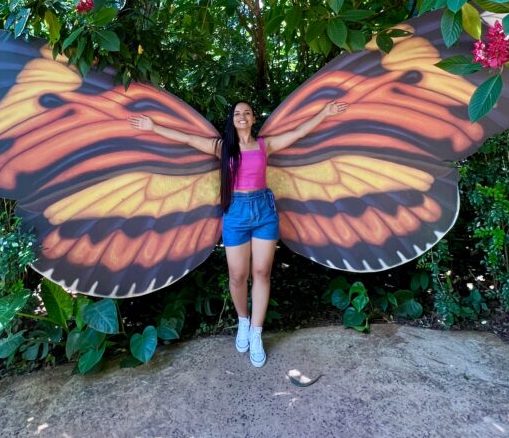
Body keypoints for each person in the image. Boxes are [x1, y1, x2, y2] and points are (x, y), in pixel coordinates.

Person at [129, 98, 347, 367]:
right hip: (235, 214)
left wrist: (325, 111)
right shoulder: (223, 148)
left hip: (264, 212)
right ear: (232, 119)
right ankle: (243, 322)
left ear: (254, 118)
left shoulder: (265, 145)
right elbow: (186, 138)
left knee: (262, 273)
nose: (242, 116)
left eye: (247, 112)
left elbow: (299, 132)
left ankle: (256, 333)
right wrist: (153, 126)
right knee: (237, 276)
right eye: (237, 113)